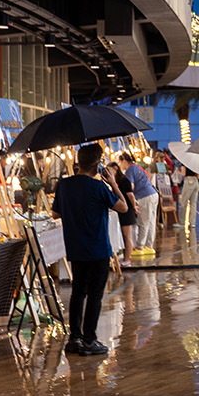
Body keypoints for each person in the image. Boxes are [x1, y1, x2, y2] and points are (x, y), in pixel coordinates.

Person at [52, 142, 127, 356]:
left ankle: (74, 338)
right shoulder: (98, 187)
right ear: (97, 165)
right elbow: (123, 207)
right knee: (95, 295)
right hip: (97, 249)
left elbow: (55, 214)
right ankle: (89, 340)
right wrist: (113, 184)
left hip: (75, 248)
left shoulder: (64, 185)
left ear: (79, 163)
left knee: (78, 293)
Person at [119, 152, 158, 252]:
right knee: (151, 221)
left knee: (143, 222)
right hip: (153, 194)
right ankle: (149, 246)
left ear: (124, 160)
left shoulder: (129, 170)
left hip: (145, 196)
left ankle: (140, 247)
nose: (120, 165)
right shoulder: (137, 167)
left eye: (120, 162)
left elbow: (130, 186)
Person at [177, 158, 199, 240]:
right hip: (196, 182)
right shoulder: (196, 162)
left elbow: (183, 174)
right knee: (193, 204)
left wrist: (178, 171)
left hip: (188, 181)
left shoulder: (185, 161)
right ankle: (192, 223)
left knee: (184, 202)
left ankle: (182, 222)